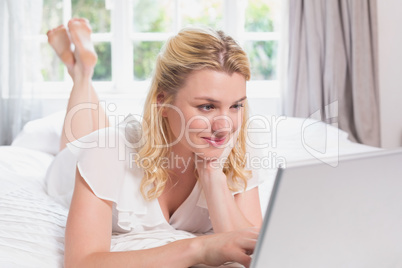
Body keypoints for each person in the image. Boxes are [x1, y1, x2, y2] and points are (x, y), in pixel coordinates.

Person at [47, 18, 269, 268]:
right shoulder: (104, 150)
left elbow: (254, 254)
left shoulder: (237, 145)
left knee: (108, 136)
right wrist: (199, 248)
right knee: (88, 139)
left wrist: (212, 172)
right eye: (207, 107)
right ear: (162, 101)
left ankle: (82, 69)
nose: (224, 127)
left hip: (119, 146)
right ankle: (82, 73)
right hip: (74, 165)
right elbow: (81, 262)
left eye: (236, 106)